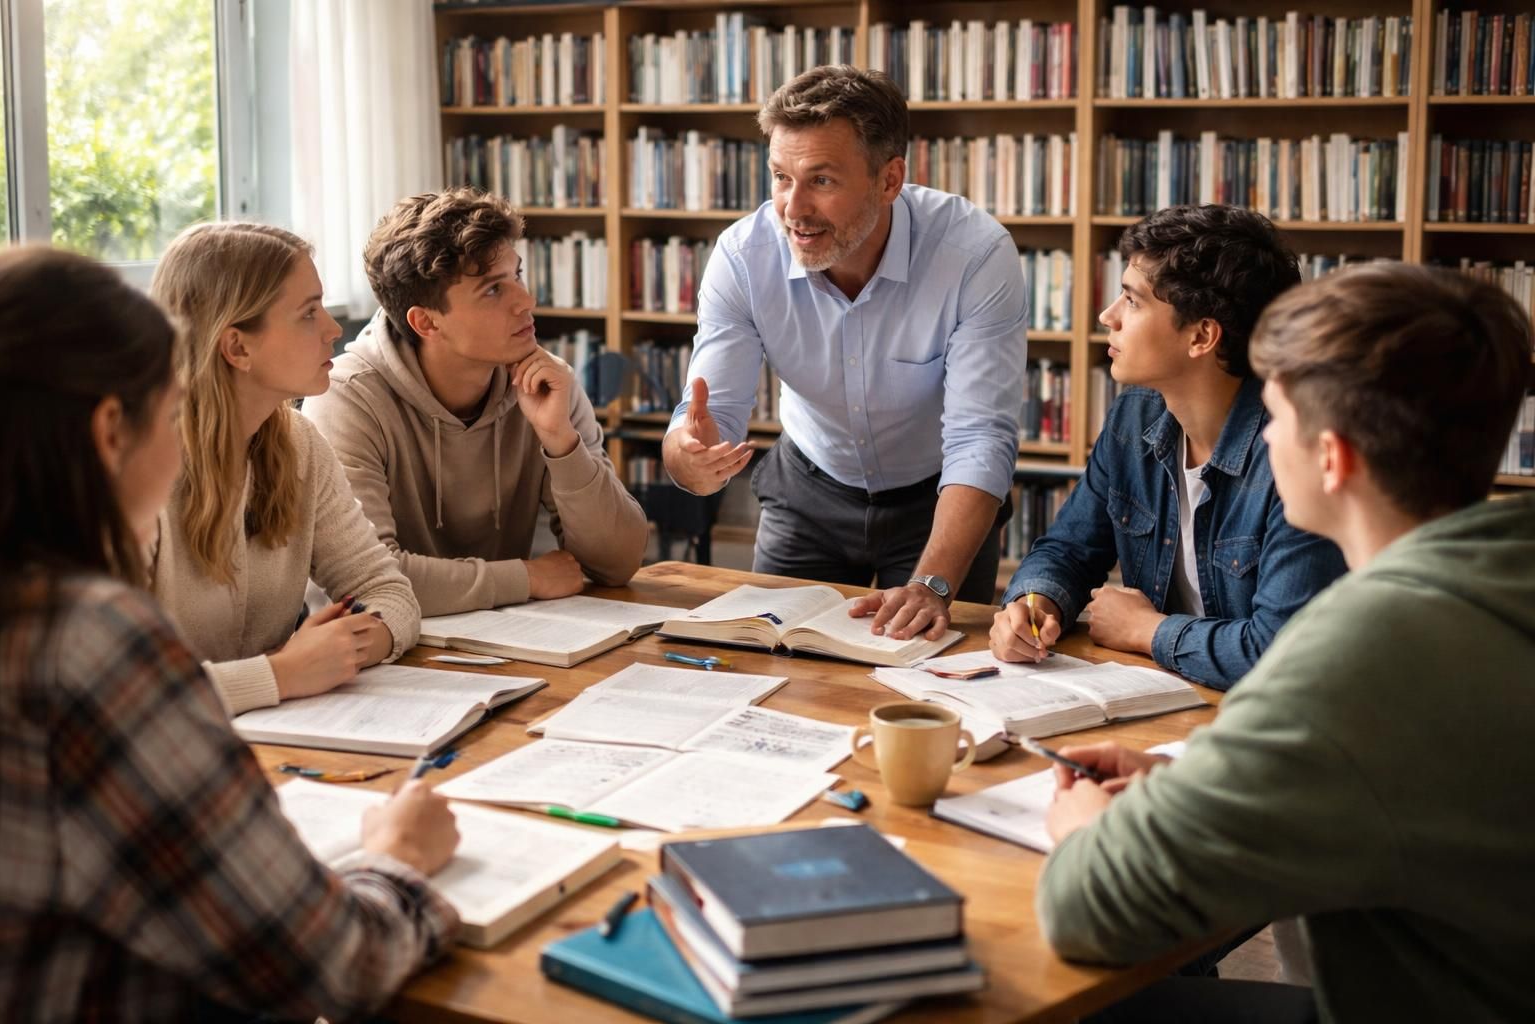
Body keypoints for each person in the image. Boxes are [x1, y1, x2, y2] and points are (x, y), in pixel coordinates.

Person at [1036, 263, 1535, 1022]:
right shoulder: (1500, 573)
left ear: (1332, 458)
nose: (1263, 439)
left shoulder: (1359, 652)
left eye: (1274, 417)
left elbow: (1086, 906)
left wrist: (1081, 828)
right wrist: (1199, 777)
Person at [0, 246, 460, 1020]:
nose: (178, 438)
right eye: (167, 409)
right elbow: (332, 962)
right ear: (112, 429)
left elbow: (385, 586)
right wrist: (399, 857)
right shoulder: (88, 640)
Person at [662, 64, 1028, 643]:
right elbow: (708, 416)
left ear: (889, 180)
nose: (793, 208)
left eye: (822, 181)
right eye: (781, 177)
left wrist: (933, 584)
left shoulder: (974, 255)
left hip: (937, 499)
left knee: (935, 672)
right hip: (809, 488)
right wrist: (688, 455)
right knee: (778, 661)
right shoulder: (742, 256)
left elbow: (980, 437)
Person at [991, 205, 1346, 688]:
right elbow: (1068, 550)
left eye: (1132, 301)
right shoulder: (1133, 416)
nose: (1107, 316)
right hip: (1165, 695)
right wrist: (1033, 604)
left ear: (1202, 335)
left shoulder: (1295, 455)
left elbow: (1281, 653)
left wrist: (1147, 630)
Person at [303, 187, 647, 617]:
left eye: (517, 276)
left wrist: (562, 442)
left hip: (504, 645)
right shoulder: (347, 396)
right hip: (378, 660)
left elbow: (618, 564)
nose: (527, 301)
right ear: (426, 322)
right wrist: (527, 578)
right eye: (492, 290)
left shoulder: (545, 382)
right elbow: (365, 584)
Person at [148, 222, 421, 716]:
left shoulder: (299, 443)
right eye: (308, 313)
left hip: (270, 739)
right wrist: (283, 673)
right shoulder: (132, 474)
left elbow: (389, 592)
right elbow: (110, 695)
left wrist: (347, 647)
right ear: (237, 347)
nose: (333, 330)